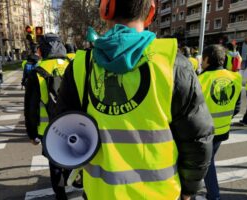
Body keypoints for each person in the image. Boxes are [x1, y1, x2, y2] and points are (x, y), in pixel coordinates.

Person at [53, 0, 213, 199]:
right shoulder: (172, 63)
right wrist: (189, 188)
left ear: (105, 11)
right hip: (161, 194)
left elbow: (63, 134)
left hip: (101, 193)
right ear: (151, 12)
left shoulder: (80, 66)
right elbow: (197, 137)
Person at [24, 33, 71, 200]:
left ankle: (61, 195)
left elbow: (30, 108)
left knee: (55, 164)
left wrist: (32, 134)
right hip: (74, 125)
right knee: (76, 156)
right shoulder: (74, 65)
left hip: (48, 129)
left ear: (41, 51)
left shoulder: (36, 73)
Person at [198, 45, 242, 200]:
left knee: (206, 164)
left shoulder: (200, 80)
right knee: (208, 162)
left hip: (204, 132)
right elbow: (237, 107)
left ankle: (214, 196)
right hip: (222, 130)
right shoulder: (235, 78)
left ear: (207, 59)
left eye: (202, 58)